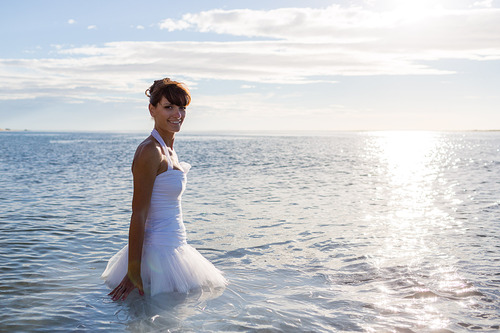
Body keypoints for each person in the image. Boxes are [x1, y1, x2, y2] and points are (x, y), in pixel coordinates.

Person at [101, 78, 227, 301]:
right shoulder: (150, 151)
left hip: (176, 248)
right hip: (158, 257)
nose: (177, 114)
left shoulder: (168, 150)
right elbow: (138, 214)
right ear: (152, 109)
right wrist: (133, 271)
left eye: (181, 108)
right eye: (168, 107)